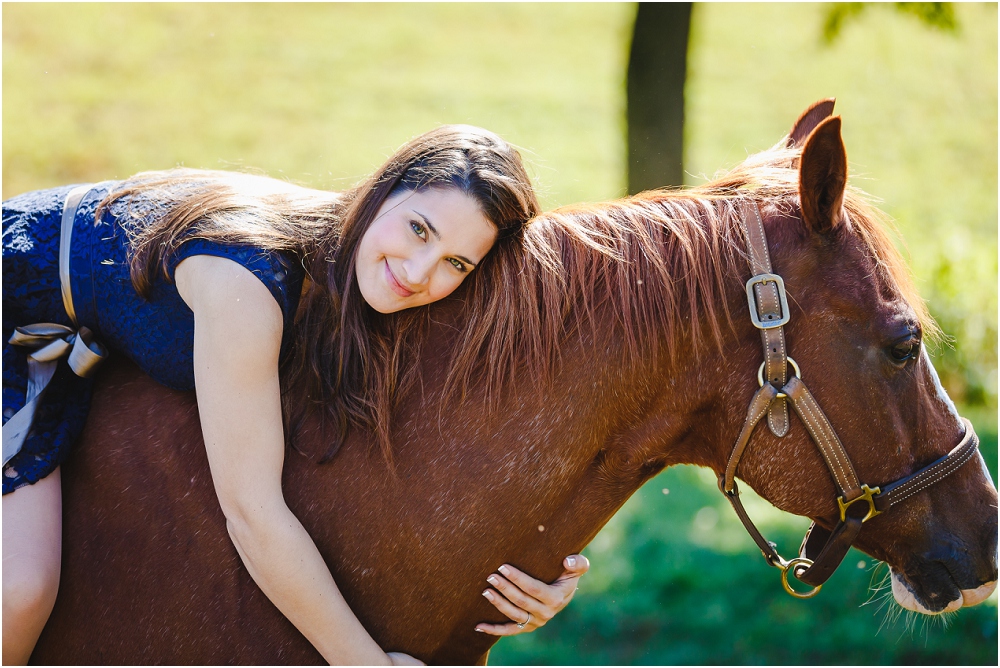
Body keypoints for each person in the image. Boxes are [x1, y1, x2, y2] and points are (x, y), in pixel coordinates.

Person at [2, 125, 590, 665]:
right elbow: (252, 515)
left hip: (67, 352)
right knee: (18, 590)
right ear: (384, 191)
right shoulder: (247, 286)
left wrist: (536, 566)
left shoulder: (368, 268)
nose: (417, 272)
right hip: (13, 314)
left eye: (455, 262)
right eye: (418, 229)